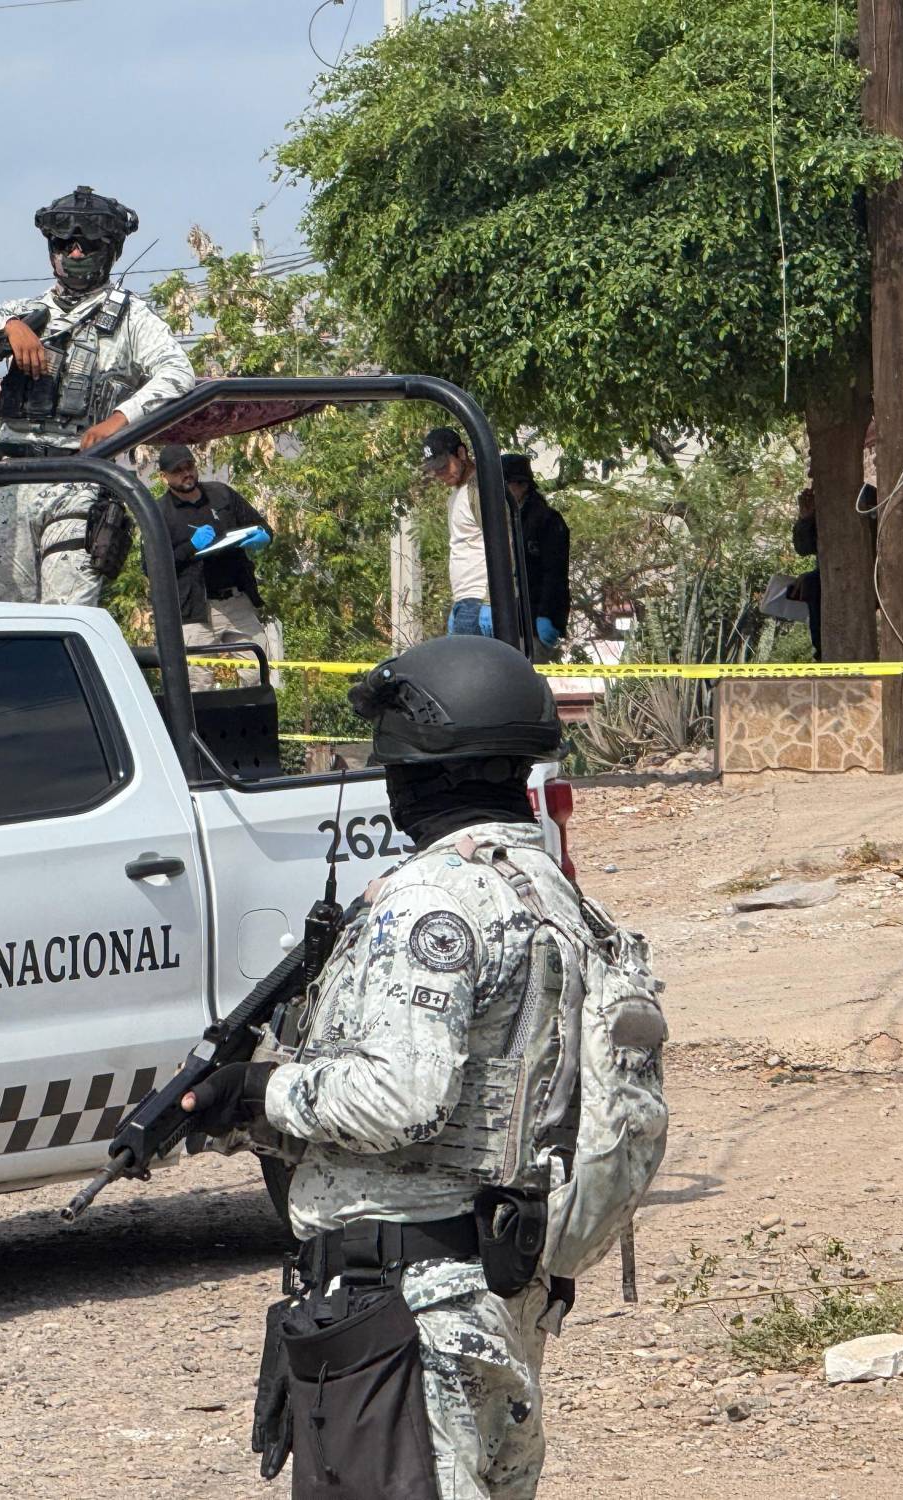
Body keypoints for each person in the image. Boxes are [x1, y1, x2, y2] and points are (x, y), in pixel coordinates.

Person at [182, 637, 628, 1499]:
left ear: (421, 771)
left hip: (409, 1306)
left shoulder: (430, 902)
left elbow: (402, 1098)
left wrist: (259, 1091)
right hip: (505, 1286)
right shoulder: (561, 896)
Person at [0, 186, 196, 606]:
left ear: (110, 249)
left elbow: (177, 373)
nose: (75, 253)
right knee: (6, 621)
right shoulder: (25, 310)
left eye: (88, 243)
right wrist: (8, 327)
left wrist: (120, 420)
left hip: (79, 479)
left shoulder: (132, 318)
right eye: (65, 243)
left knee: (66, 614)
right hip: (9, 480)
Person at [157, 443, 274, 687]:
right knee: (199, 684)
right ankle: (202, 727)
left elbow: (263, 528)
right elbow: (151, 567)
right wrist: (191, 546)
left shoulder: (221, 494)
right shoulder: (159, 513)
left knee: (257, 673)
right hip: (195, 611)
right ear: (164, 477)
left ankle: (249, 723)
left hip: (236, 600)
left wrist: (261, 538)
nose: (185, 473)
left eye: (188, 466)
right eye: (177, 470)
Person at [427, 427, 492, 638]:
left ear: (462, 454)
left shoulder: (478, 490)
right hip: (464, 601)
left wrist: (491, 601)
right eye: (434, 469)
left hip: (478, 600)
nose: (439, 474)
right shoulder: (457, 494)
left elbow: (503, 542)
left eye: (444, 466)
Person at [505, 455, 571, 659]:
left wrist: (546, 616)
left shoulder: (547, 520)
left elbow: (555, 574)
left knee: (529, 682)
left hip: (536, 623)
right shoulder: (511, 519)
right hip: (514, 621)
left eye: (504, 485)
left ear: (521, 485)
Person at [788, 486, 823, 660]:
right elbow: (803, 548)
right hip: (827, 580)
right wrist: (806, 518)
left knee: (812, 583)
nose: (810, 472)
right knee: (810, 583)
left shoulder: (865, 496)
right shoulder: (821, 508)